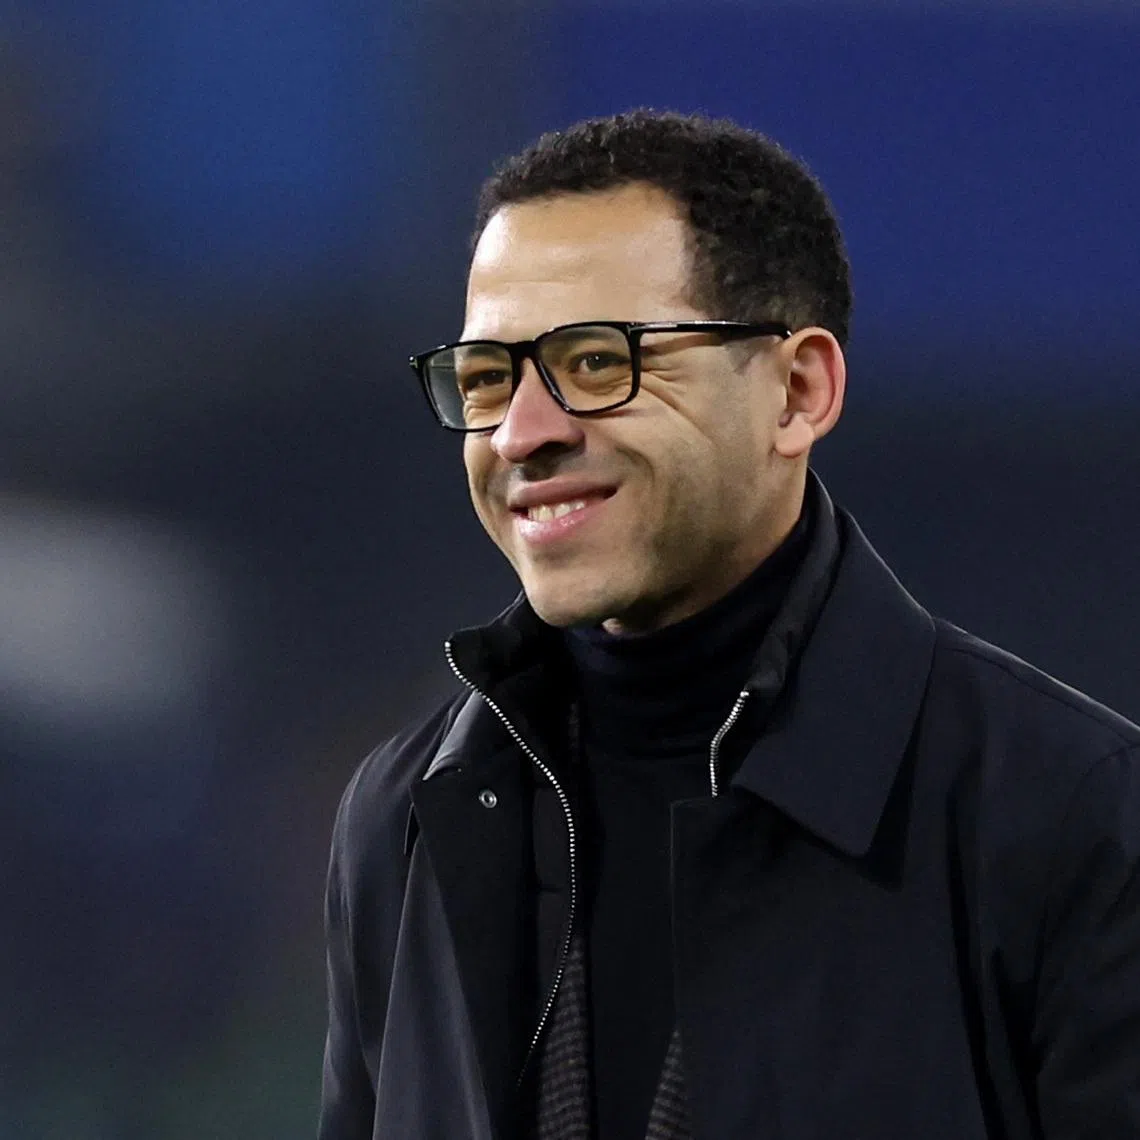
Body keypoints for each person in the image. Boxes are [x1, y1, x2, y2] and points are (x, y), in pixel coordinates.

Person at [318, 111, 1140, 1140]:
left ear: (798, 392)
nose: (523, 434)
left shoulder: (1071, 818)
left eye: (596, 361)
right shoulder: (407, 815)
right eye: (487, 378)